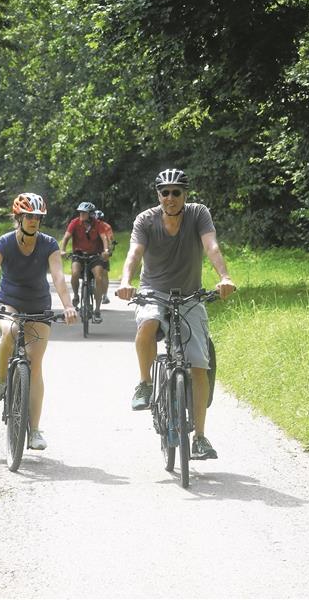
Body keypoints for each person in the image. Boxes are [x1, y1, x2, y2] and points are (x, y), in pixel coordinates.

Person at [116, 168, 235, 460]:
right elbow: (134, 253)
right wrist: (125, 282)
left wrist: (224, 277)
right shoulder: (145, 219)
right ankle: (145, 384)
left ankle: (201, 438)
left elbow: (211, 246)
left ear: (185, 194)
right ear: (159, 195)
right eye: (165, 192)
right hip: (153, 291)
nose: (170, 198)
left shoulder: (198, 214)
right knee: (148, 323)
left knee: (198, 364)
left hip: (190, 295)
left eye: (176, 192)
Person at [0, 193, 78, 452]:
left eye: (37, 217)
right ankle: (2, 380)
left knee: (36, 364)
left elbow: (59, 277)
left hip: (38, 305)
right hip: (8, 301)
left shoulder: (49, 244)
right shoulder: (5, 242)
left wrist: (68, 306)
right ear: (18, 218)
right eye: (29, 216)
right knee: (12, 328)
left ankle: (35, 430)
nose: (33, 221)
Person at [59, 201, 113, 324]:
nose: (81, 215)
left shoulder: (98, 224)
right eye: (80, 212)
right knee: (75, 273)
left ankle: (97, 310)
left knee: (99, 277)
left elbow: (104, 238)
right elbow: (67, 237)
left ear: (91, 214)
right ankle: (77, 295)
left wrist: (105, 251)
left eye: (84, 213)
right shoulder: (75, 223)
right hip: (78, 254)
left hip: (95, 255)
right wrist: (62, 250)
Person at [94, 209, 116, 304]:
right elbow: (111, 240)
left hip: (101, 252)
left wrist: (109, 251)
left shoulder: (105, 227)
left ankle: (105, 295)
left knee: (103, 273)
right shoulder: (106, 226)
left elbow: (110, 240)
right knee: (104, 273)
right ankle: (104, 295)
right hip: (99, 252)